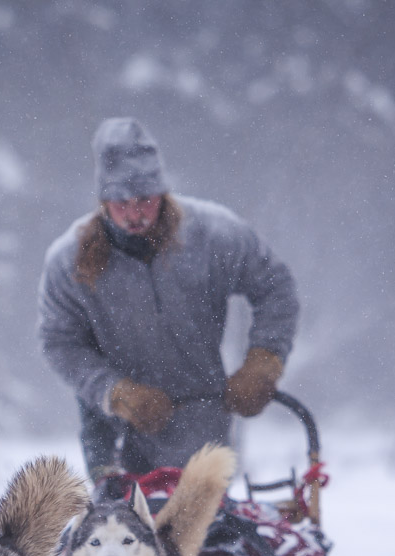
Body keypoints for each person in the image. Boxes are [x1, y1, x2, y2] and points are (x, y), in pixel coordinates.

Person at [38, 117, 300, 479]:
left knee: (203, 530)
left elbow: (275, 287)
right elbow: (59, 342)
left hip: (204, 426)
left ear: (162, 191)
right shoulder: (68, 262)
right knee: (125, 529)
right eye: (121, 202)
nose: (134, 213)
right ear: (103, 200)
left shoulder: (214, 236)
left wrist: (263, 362)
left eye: (144, 199)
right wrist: (115, 392)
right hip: (115, 433)